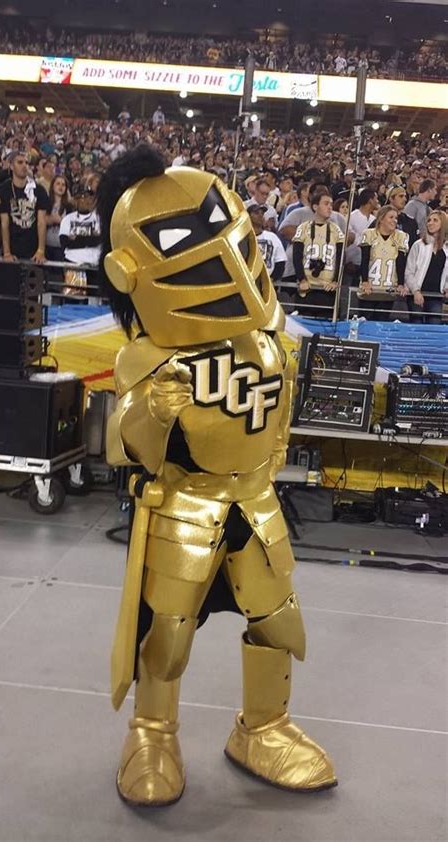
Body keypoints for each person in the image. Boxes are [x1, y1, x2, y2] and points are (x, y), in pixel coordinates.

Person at [97, 145, 337, 808]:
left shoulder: (266, 336)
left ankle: (264, 725)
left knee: (275, 621)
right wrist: (151, 410)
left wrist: (272, 464)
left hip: (256, 499)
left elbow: (280, 414)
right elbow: (121, 446)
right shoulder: (147, 358)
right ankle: (151, 732)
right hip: (185, 504)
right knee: (165, 632)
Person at [293, 189, 345, 318]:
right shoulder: (303, 228)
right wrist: (302, 279)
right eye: (326, 204)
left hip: (328, 289)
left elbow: (341, 258)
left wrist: (335, 280)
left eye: (331, 205)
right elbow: (297, 256)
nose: (330, 207)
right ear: (315, 206)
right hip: (307, 288)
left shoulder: (335, 229)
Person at [358, 206, 409, 321]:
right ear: (381, 219)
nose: (394, 220)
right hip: (369, 289)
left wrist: (401, 283)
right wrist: (365, 281)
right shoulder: (369, 234)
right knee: (365, 321)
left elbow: (401, 262)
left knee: (382, 321)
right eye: (391, 217)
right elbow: (364, 260)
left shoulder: (401, 236)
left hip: (388, 289)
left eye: (396, 218)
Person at [0, 150, 48, 262]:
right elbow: (4, 223)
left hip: (33, 248)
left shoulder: (39, 190)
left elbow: (41, 222)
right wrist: (7, 252)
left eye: (26, 163)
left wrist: (41, 250)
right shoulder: (3, 190)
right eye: (20, 162)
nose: (24, 166)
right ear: (10, 166)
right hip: (13, 247)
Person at [406, 210, 448, 324]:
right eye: (429, 220)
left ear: (443, 224)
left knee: (434, 327)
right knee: (416, 326)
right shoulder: (418, 245)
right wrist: (415, 291)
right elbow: (409, 272)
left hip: (436, 296)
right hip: (416, 294)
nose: (430, 223)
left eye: (435, 220)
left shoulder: (446, 248)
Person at [247, 204, 287, 282]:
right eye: (256, 213)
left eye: (262, 213)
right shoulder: (242, 238)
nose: (260, 215)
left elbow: (280, 261)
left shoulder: (272, 237)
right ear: (248, 216)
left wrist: (272, 278)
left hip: (268, 282)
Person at [345, 188, 379, 269]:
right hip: (351, 265)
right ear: (370, 200)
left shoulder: (374, 220)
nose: (377, 201)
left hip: (368, 265)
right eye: (376, 199)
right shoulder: (351, 217)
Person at [45, 175, 74, 261]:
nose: (61, 187)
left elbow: (72, 229)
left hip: (61, 248)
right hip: (47, 246)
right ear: (52, 186)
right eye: (58, 184)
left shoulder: (69, 207)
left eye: (63, 184)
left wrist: (61, 221)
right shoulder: (46, 204)